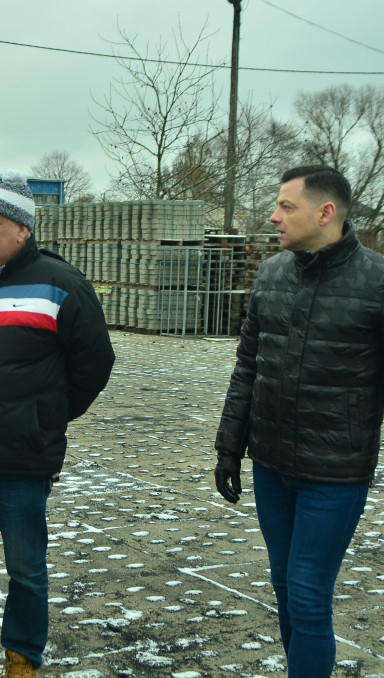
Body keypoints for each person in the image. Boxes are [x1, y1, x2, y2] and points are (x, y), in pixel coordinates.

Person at [0, 170, 115, 678]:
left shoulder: (62, 285)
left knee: (27, 570)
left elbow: (95, 363)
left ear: (22, 230)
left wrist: (44, 417)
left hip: (21, 459)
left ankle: (22, 657)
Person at [214, 165, 384, 677]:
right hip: (271, 465)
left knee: (309, 593)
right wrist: (230, 445)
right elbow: (248, 365)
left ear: (325, 212)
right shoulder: (271, 275)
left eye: (286, 206)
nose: (274, 216)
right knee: (287, 590)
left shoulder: (378, 282)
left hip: (334, 474)